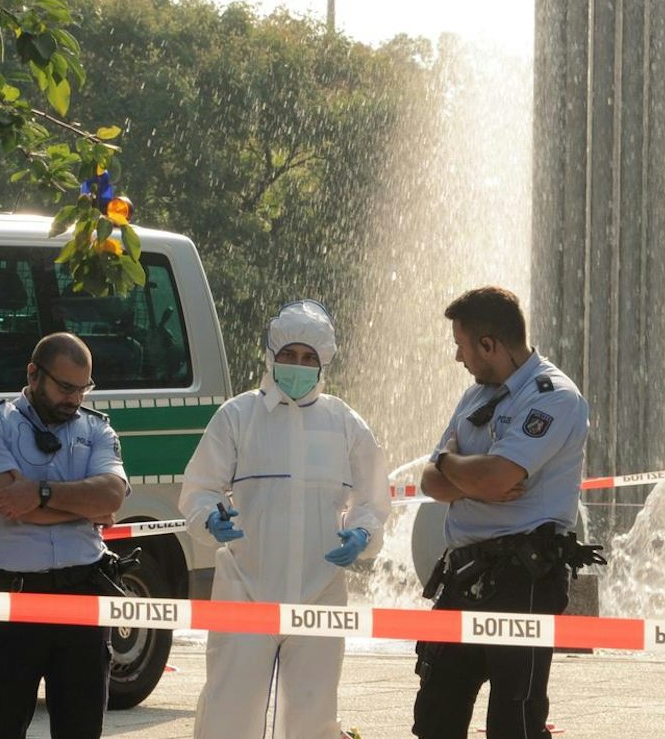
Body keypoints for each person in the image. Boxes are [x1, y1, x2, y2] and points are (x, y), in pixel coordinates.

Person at [181, 299, 391, 738]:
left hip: (321, 590)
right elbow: (200, 488)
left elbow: (373, 498)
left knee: (312, 714)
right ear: (271, 356)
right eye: (289, 354)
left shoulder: (344, 422)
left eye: (308, 357)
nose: (298, 365)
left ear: (323, 362)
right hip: (244, 587)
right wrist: (209, 519)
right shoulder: (238, 416)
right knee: (228, 711)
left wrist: (362, 532)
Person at [414, 286, 600, 739]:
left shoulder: (554, 397)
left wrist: (453, 465)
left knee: (514, 721)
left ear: (488, 344)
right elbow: (431, 482)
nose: (458, 358)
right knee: (436, 713)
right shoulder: (474, 398)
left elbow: (495, 478)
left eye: (461, 346)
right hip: (463, 574)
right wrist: (462, 472)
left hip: (523, 579)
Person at [0, 332, 131, 739]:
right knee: (0, 728)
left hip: (83, 597)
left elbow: (111, 496)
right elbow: (9, 504)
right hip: (14, 599)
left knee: (81, 729)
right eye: (65, 387)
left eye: (84, 389)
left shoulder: (97, 430)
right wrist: (84, 509)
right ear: (33, 374)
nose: (75, 399)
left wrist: (39, 494)